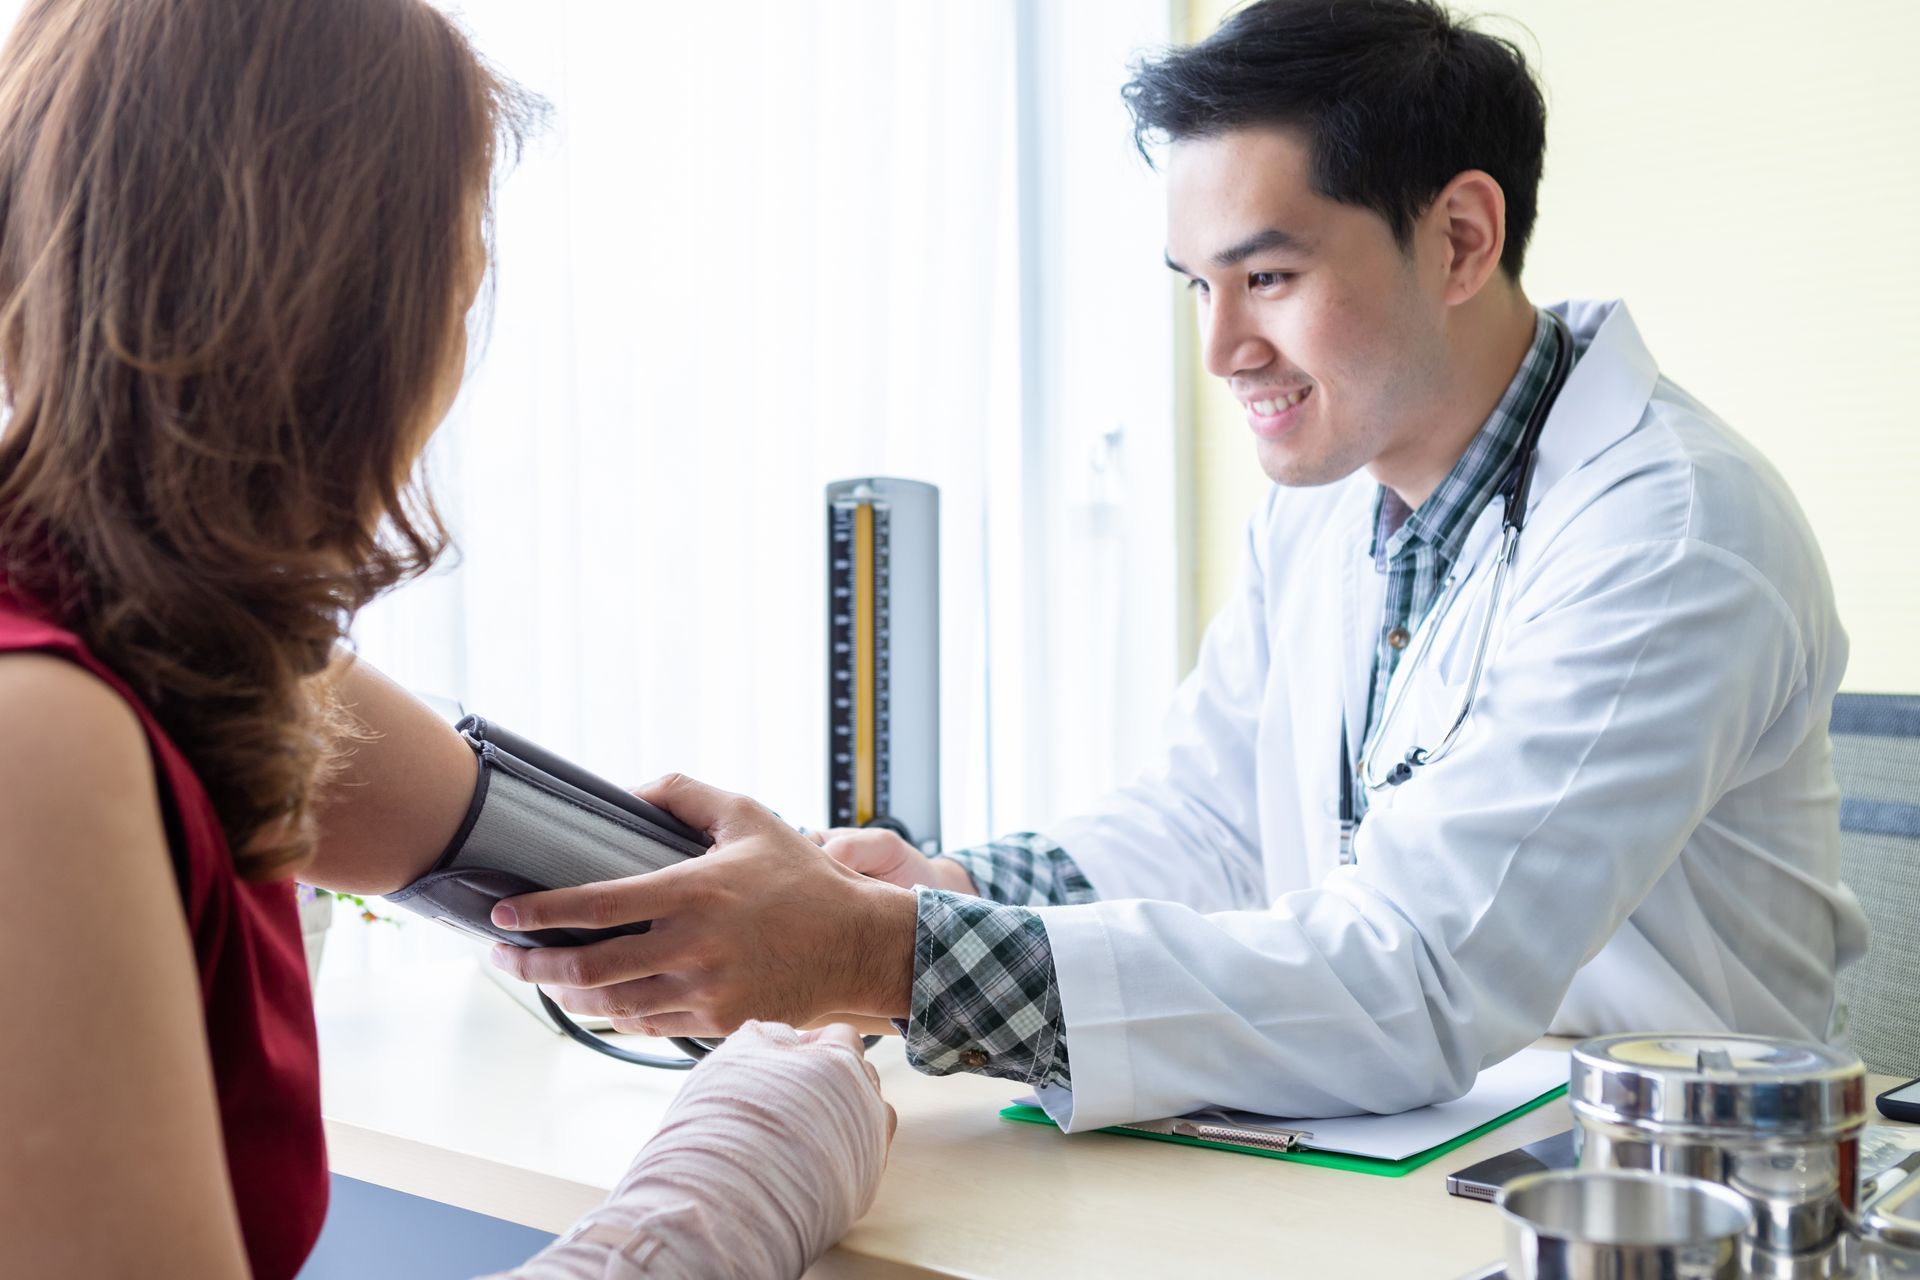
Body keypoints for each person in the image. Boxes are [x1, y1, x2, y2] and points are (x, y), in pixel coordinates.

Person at [487, 0, 1868, 1134]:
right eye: (1196, 285)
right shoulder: (1337, 498)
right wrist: (935, 893)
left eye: (1267, 278)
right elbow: (1204, 832)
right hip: (1408, 1165)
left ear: (1459, 238)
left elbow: (1422, 976)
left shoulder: (1672, 533)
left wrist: (875, 959)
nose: (1220, 353)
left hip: (1662, 1196)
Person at [0, 1, 889, 1276]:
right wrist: (728, 1183)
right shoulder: (38, 726)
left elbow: (561, 857)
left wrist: (866, 926)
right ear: (368, 319)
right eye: (462, 273)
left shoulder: (180, 643)